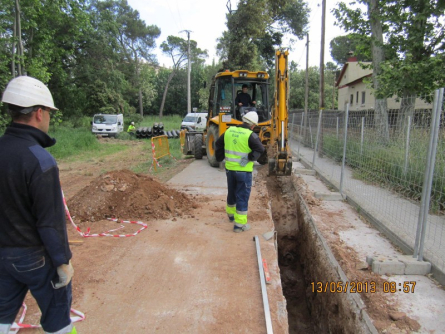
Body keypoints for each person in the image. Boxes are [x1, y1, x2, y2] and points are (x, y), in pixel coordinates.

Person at [0, 76, 75, 334]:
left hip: (2, 254)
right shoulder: (40, 161)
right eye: (49, 114)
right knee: (58, 318)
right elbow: (49, 222)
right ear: (39, 113)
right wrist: (62, 261)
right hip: (35, 257)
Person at [215, 111, 265, 233]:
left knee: (231, 192)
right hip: (243, 172)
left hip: (230, 170)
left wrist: (219, 158)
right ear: (253, 125)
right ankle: (239, 225)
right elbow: (260, 149)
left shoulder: (229, 131)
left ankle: (231, 216)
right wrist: (249, 158)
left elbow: (218, 144)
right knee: (242, 196)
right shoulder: (250, 135)